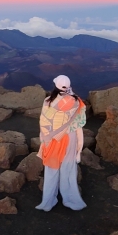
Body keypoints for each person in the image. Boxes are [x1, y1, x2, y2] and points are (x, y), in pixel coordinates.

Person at [36, 74, 87, 212]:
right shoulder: (76, 102)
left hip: (52, 139)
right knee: (68, 170)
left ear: (55, 86)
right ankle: (69, 199)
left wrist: (44, 140)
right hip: (69, 138)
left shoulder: (48, 101)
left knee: (51, 170)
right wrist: (79, 149)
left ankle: (48, 200)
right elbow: (78, 127)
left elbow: (43, 124)